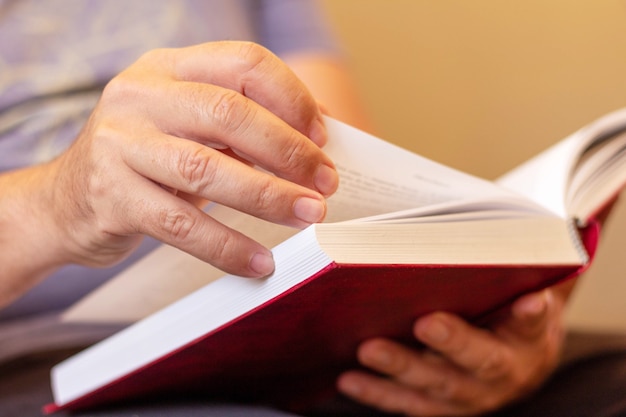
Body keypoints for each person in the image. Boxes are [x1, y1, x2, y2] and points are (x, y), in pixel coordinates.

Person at [2, 1, 624, 417]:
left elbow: (341, 175)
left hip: (297, 332)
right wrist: (57, 206)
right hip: (51, 359)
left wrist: (491, 323)